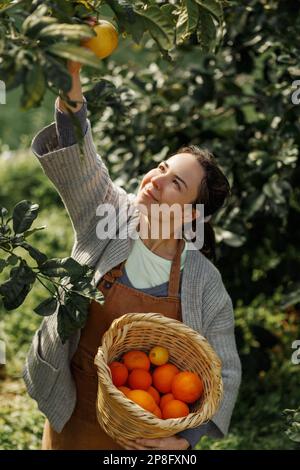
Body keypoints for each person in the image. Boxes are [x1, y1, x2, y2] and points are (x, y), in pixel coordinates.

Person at [23, 60, 242, 450]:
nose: (155, 180)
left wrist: (183, 443)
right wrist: (71, 77)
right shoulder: (107, 217)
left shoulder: (203, 283)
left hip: (148, 437)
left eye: (175, 182)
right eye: (161, 167)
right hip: (72, 417)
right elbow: (79, 157)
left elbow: (224, 371)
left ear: (191, 214)